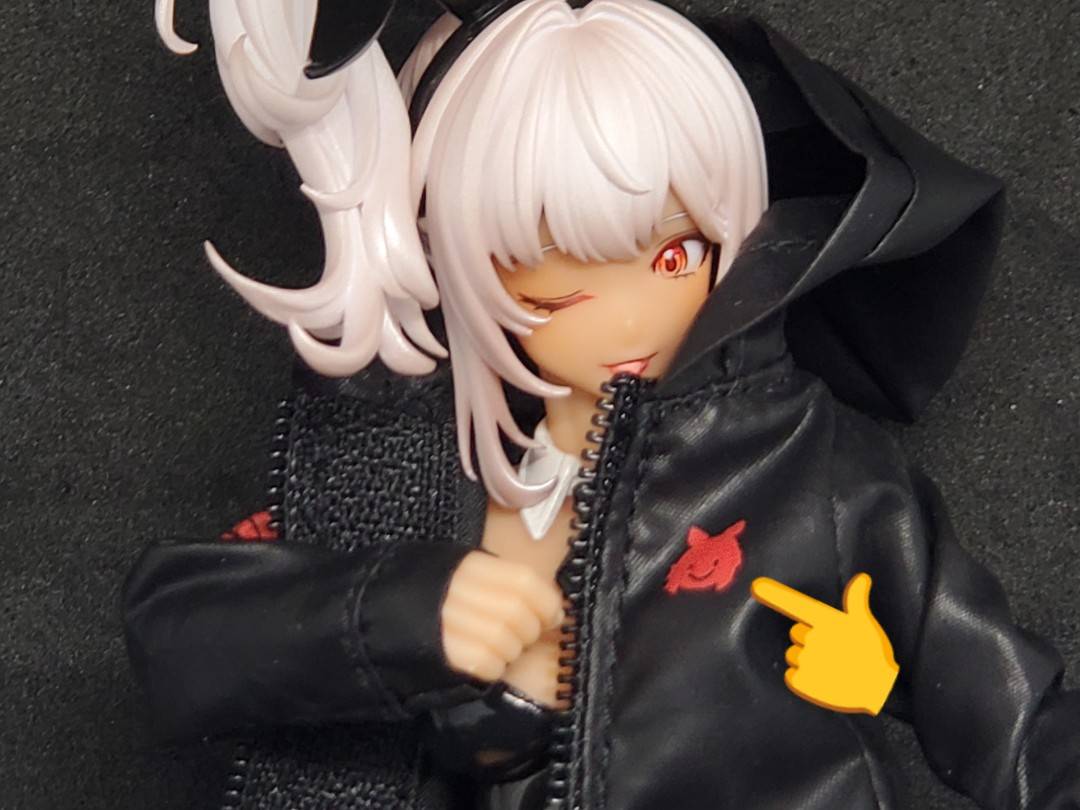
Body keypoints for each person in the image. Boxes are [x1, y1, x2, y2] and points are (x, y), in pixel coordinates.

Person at [127, 2, 1080, 808]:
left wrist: (880, 681)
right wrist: (407, 616)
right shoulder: (422, 463)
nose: (628, 318)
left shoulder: (807, 467)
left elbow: (1022, 722)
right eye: (551, 279)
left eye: (674, 255)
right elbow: (178, 634)